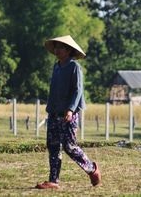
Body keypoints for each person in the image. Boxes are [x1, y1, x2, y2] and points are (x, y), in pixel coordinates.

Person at [36, 35, 101, 190]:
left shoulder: (74, 67)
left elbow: (78, 90)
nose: (57, 50)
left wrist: (71, 109)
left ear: (68, 50)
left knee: (69, 146)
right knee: (53, 146)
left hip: (68, 114)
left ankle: (92, 168)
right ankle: (53, 181)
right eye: (56, 47)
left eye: (60, 47)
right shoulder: (56, 66)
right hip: (54, 113)